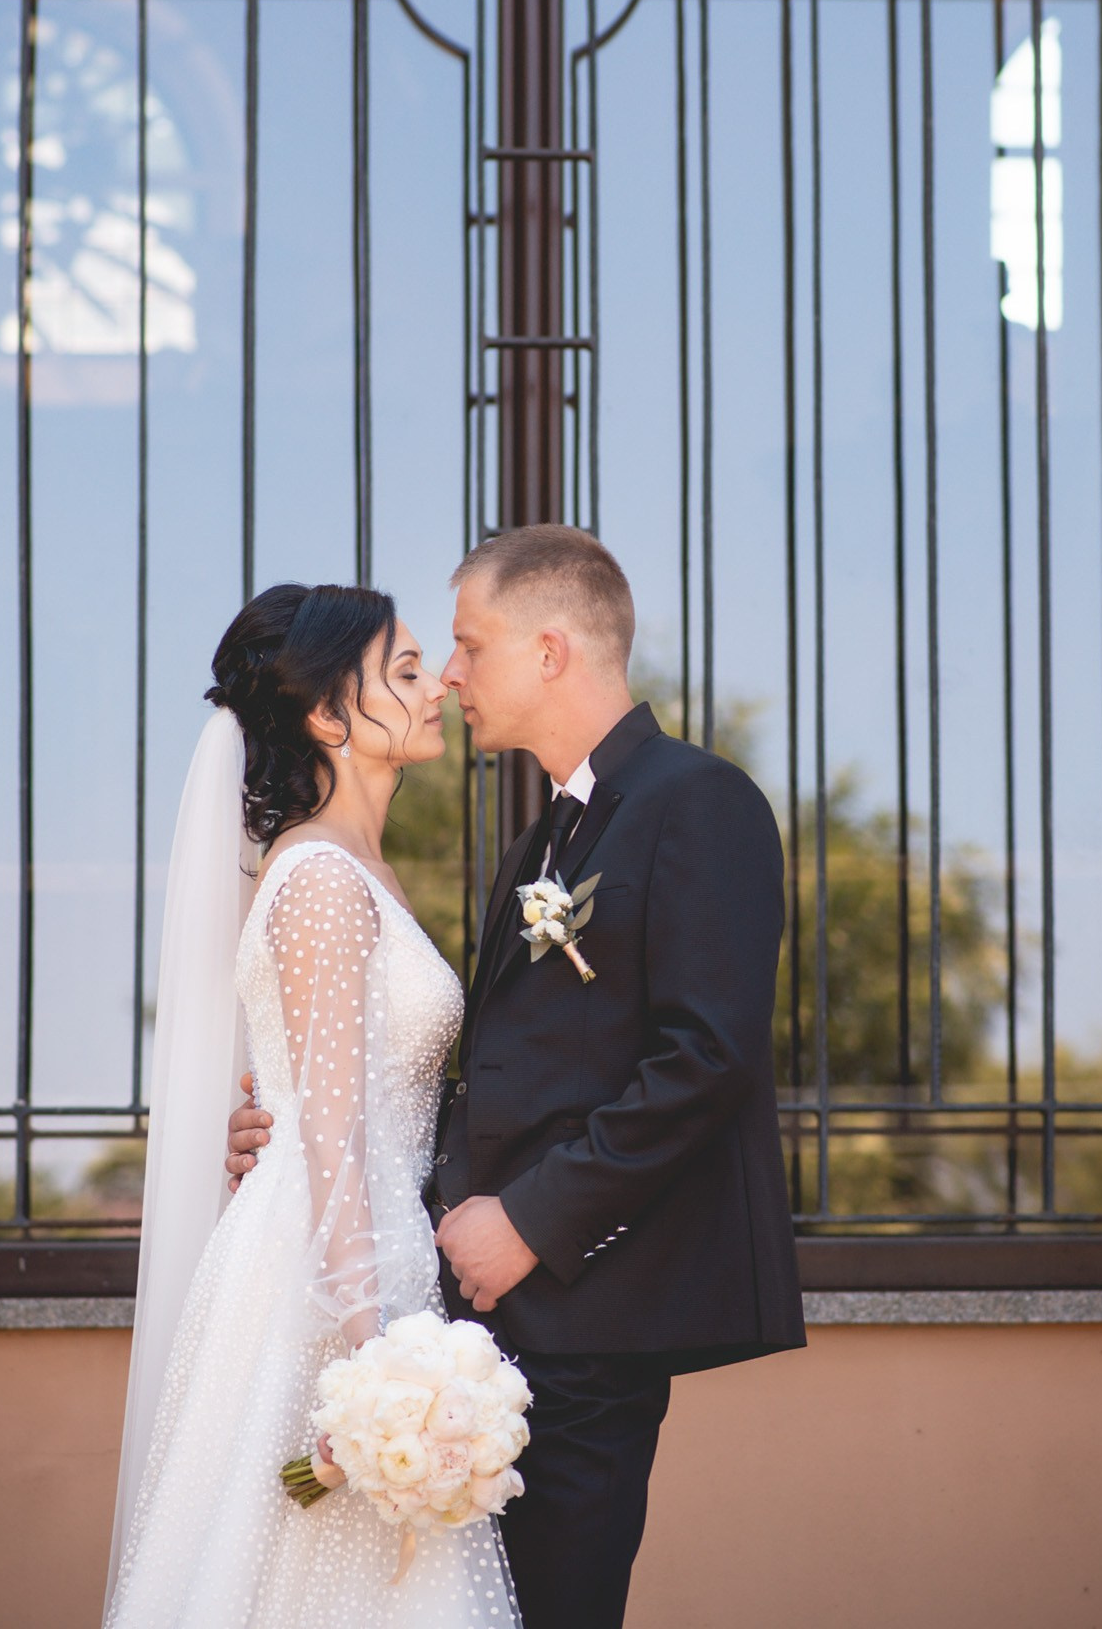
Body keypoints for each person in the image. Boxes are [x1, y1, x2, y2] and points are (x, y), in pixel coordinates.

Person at [228, 526, 804, 1629]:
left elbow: (709, 1056)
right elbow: (475, 1078)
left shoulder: (697, 800)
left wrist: (534, 1220)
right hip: (472, 1330)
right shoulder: (537, 845)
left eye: (468, 645)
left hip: (590, 1314)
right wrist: (292, 1129)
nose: (450, 675)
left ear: (549, 651)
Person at [104, 581, 520, 1629]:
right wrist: (378, 1361)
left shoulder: (354, 867)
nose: (438, 689)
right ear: (330, 714)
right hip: (328, 1276)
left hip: (368, 1247)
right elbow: (330, 1133)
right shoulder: (323, 878)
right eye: (407, 671)